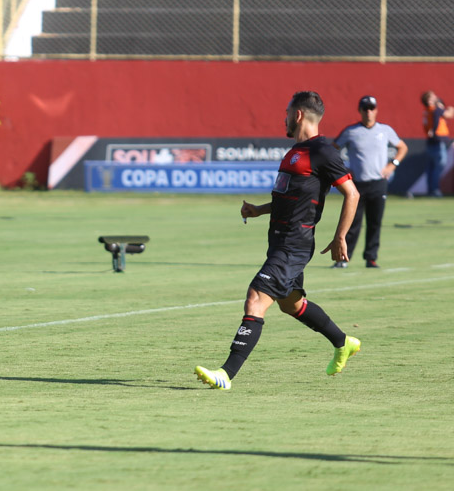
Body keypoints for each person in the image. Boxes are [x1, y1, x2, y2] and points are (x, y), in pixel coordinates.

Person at [194, 91, 361, 391]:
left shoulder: (323, 150)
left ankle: (226, 374)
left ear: (298, 115)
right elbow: (290, 198)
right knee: (292, 304)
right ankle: (343, 342)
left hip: (293, 245)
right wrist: (259, 210)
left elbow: (352, 193)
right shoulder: (296, 151)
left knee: (256, 297)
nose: (283, 118)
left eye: (286, 112)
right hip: (281, 242)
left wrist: (340, 237)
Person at [333, 95, 408, 269]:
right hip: (357, 184)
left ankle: (371, 258)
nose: (369, 111)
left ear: (376, 110)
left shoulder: (385, 130)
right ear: (359, 111)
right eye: (365, 108)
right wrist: (343, 170)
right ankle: (343, 258)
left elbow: (402, 147)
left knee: (375, 222)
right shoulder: (351, 131)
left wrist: (392, 165)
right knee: (352, 223)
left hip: (378, 183)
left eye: (371, 108)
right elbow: (332, 150)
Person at [420, 90, 454, 197]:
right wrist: (450, 109)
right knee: (438, 167)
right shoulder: (435, 109)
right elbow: (449, 114)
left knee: (431, 167)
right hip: (438, 141)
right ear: (429, 100)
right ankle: (435, 190)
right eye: (433, 96)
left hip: (431, 141)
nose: (435, 97)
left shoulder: (427, 110)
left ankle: (431, 190)